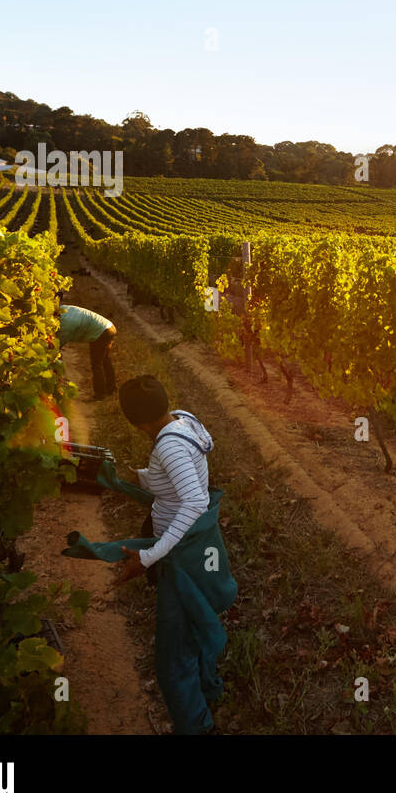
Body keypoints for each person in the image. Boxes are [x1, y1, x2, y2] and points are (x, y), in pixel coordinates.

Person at [61, 375, 237, 734]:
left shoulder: (168, 447)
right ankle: (209, 690)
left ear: (136, 422)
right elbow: (177, 481)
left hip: (181, 556)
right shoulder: (182, 419)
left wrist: (150, 555)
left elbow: (195, 500)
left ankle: (197, 727)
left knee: (171, 661)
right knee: (193, 627)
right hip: (193, 547)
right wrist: (135, 476)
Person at [59, 304, 117, 400]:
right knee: (105, 360)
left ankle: (100, 395)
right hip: (109, 327)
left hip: (102, 332)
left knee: (97, 363)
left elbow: (58, 346)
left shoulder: (66, 323)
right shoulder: (63, 309)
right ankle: (111, 389)